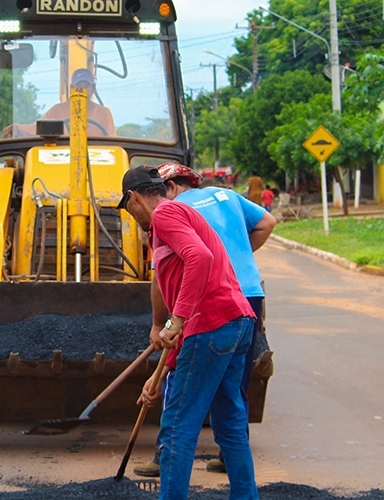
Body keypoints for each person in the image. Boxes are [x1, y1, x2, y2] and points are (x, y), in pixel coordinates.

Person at [117, 166, 259, 500]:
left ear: (133, 198)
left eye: (127, 210)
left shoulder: (165, 214)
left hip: (211, 325)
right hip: (235, 323)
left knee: (177, 427)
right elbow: (187, 332)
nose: (131, 217)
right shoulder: (177, 217)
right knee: (230, 424)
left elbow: (200, 257)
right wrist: (159, 376)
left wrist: (176, 320)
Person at [4, 68, 116, 138]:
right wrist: (17, 128)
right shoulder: (57, 111)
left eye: (86, 85)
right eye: (78, 86)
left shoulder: (104, 113)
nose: (82, 90)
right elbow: (37, 129)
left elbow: (112, 143)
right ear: (71, 88)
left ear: (94, 89)